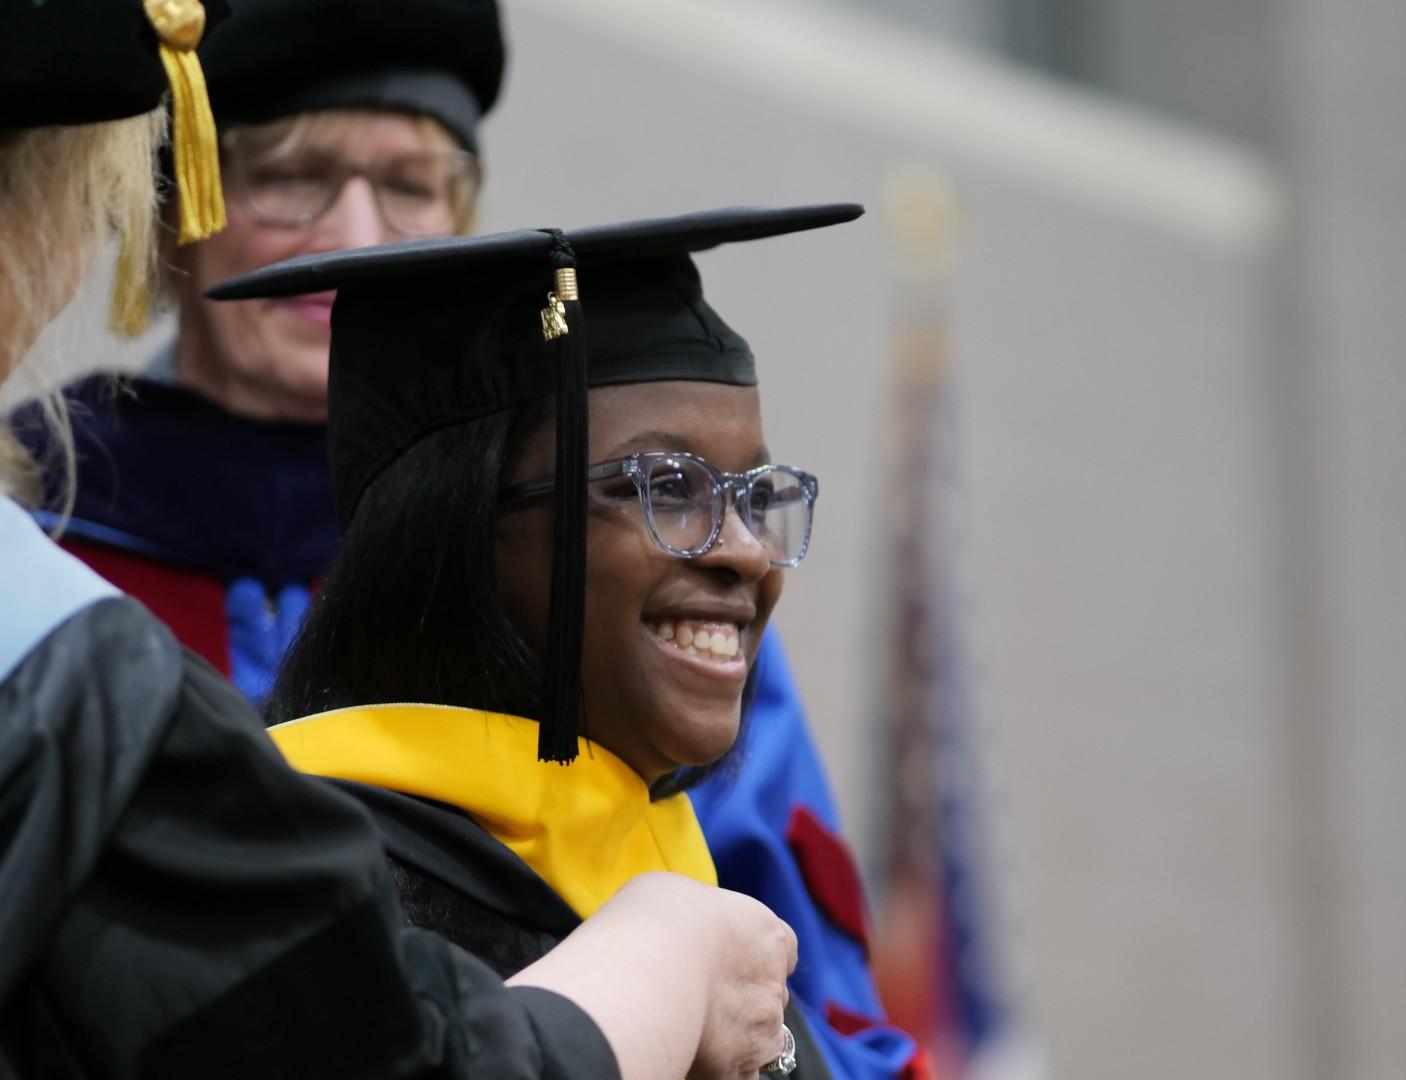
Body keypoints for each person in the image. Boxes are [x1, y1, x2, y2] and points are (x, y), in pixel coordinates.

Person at [11, 6, 909, 1069]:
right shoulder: (48, 551)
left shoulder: (640, 597)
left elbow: (831, 998)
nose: (353, 236)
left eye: (406, 185)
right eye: (292, 177)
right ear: (181, 206)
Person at [210, 205, 877, 1079]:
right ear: (458, 528)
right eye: (667, 487)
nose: (746, 551)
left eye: (757, 495)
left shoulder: (702, 909)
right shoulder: (288, 889)